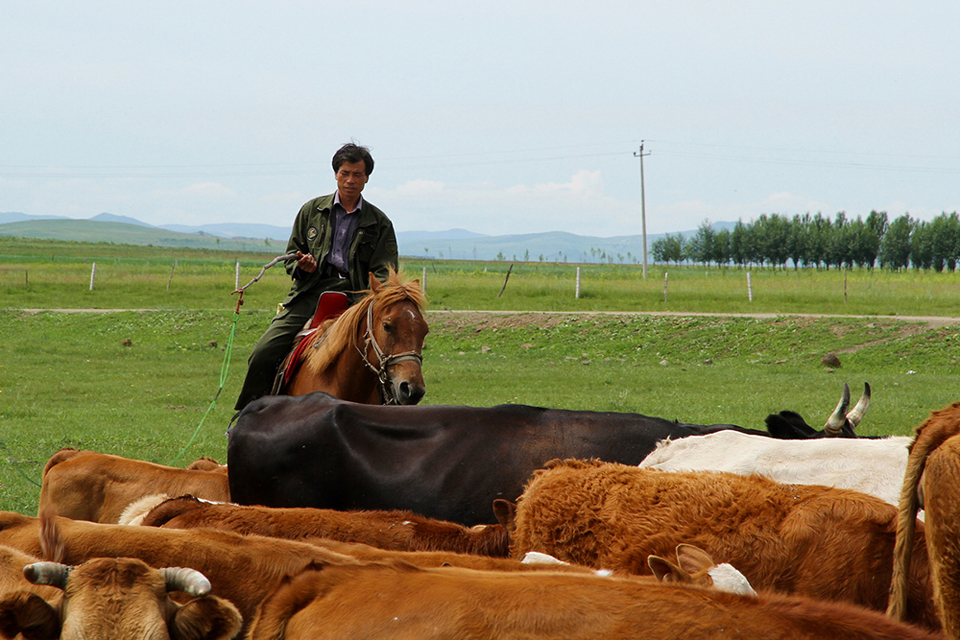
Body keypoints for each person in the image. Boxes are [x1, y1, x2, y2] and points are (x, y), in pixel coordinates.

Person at [234, 142, 399, 412]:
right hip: (310, 293)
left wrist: (371, 295)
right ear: (336, 174)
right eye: (345, 173)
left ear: (367, 178)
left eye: (357, 174)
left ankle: (395, 419)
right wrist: (304, 266)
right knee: (263, 352)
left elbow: (384, 269)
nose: (350, 180)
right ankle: (249, 415)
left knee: (392, 355)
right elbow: (292, 255)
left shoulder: (380, 222)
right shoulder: (311, 211)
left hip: (356, 300)